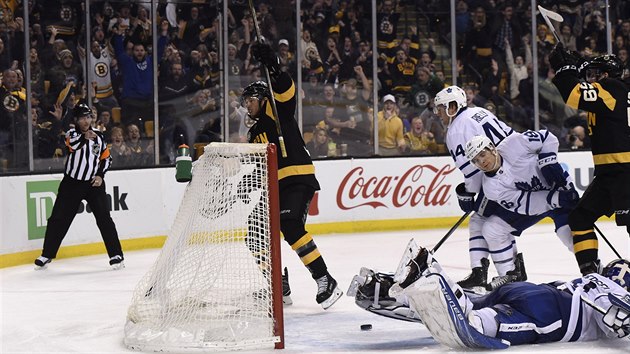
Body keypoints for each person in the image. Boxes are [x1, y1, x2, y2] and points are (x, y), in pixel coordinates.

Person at [348, 241, 630, 349]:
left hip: (531, 290)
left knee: (466, 305)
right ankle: (431, 271)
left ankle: (395, 292)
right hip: (547, 313)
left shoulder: (589, 279)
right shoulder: (612, 289)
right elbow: (617, 318)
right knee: (475, 323)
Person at [240, 41, 343, 309]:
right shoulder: (253, 134)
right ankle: (278, 284)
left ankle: (325, 280)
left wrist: (274, 68)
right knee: (255, 233)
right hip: (273, 187)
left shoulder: (277, 111)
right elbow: (260, 166)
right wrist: (246, 183)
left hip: (297, 178)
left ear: (263, 99)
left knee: (291, 226)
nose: (247, 106)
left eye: (250, 100)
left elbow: (286, 91)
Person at [549, 46, 630, 275]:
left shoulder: (612, 88)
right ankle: (591, 277)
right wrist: (579, 64)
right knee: (580, 217)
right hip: (609, 173)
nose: (592, 79)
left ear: (606, 75)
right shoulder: (618, 90)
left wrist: (565, 68)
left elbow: (573, 93)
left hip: (624, 170)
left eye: (596, 74)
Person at [432, 85, 523, 291]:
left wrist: (468, 194)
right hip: (515, 170)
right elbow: (512, 136)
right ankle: (512, 270)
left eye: (440, 108)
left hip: (499, 179)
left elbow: (472, 174)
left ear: (453, 107)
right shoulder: (480, 112)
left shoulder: (455, 130)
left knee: (480, 220)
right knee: (495, 222)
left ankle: (485, 274)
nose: (437, 113)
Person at [463, 131, 580, 289]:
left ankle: (594, 268)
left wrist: (548, 161)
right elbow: (527, 204)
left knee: (569, 235)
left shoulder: (513, 143)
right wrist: (556, 199)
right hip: (544, 202)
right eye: (476, 160)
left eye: (482, 154)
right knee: (492, 228)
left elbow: (547, 137)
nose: (481, 161)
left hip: (558, 186)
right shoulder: (491, 188)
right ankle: (511, 276)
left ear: (492, 148)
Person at [34, 103, 124, 270]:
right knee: (58, 219)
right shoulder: (71, 133)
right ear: (76, 120)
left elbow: (106, 159)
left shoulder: (99, 136)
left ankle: (116, 254)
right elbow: (72, 145)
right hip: (72, 183)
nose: (86, 121)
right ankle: (47, 254)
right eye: (82, 118)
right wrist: (85, 138)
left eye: (88, 117)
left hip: (93, 184)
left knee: (104, 218)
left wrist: (100, 175)